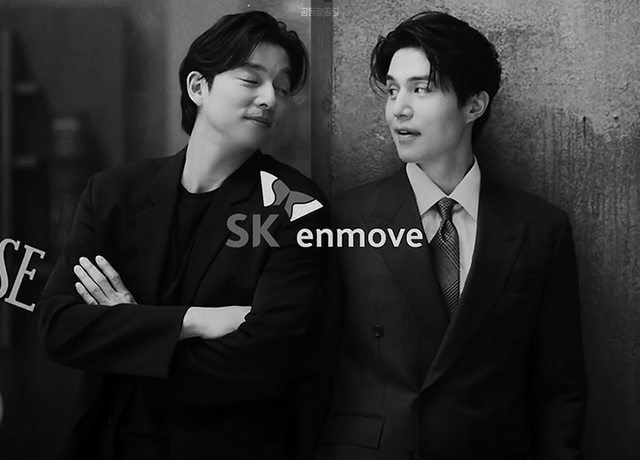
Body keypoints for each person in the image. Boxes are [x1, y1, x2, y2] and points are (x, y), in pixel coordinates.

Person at [37, 11, 329, 460]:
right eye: (251, 80)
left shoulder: (296, 206)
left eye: (283, 87)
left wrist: (128, 333)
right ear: (198, 87)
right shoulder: (114, 194)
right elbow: (60, 326)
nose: (271, 98)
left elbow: (266, 359)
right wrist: (194, 321)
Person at [320, 11, 586, 460]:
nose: (398, 109)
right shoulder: (346, 219)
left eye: (421, 89)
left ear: (474, 105)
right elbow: (313, 366)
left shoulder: (540, 229)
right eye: (392, 90)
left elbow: (559, 386)